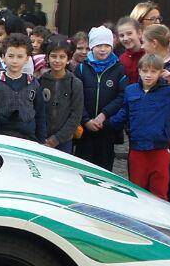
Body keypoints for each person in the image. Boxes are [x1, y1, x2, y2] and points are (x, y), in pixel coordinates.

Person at [109, 54, 170, 198]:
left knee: (159, 190)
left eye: (153, 71)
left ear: (161, 72)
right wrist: (109, 124)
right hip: (137, 148)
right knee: (137, 190)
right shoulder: (131, 90)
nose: (148, 75)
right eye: (145, 71)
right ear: (139, 71)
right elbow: (125, 111)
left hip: (160, 148)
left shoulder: (168, 92)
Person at [75, 26, 128, 172]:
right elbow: (77, 97)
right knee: (83, 168)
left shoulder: (119, 69)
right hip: (85, 129)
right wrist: (86, 120)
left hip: (107, 126)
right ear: (92, 47)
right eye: (98, 45)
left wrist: (104, 115)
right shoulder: (81, 69)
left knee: (104, 168)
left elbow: (122, 96)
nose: (103, 49)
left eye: (106, 45)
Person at [0, 34, 46, 142]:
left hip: (28, 138)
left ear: (27, 59)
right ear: (3, 57)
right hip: (1, 137)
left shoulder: (34, 84)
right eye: (10, 56)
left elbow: (40, 113)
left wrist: (41, 140)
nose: (15, 61)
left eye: (20, 56)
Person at [41, 35, 84, 153]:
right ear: (47, 58)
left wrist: (57, 139)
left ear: (68, 59)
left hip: (65, 140)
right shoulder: (40, 81)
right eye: (53, 56)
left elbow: (76, 115)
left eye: (62, 57)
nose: (57, 61)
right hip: (42, 138)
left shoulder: (75, 83)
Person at [116, 16, 144, 83]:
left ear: (139, 33)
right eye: (121, 35)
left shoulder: (149, 55)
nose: (125, 38)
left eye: (129, 33)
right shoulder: (121, 59)